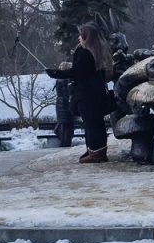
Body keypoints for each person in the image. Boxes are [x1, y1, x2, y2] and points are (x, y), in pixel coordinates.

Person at [46, 22, 113, 164]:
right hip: (97, 92)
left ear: (87, 37)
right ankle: (98, 151)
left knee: (90, 124)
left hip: (86, 94)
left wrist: (57, 73)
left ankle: (95, 153)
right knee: (97, 123)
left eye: (81, 35)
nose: (79, 38)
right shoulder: (99, 52)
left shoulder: (84, 53)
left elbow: (77, 72)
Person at [53, 61, 75, 147]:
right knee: (68, 126)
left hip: (60, 104)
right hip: (66, 105)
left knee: (64, 124)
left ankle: (64, 142)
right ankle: (66, 144)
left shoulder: (59, 79)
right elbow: (68, 94)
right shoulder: (66, 80)